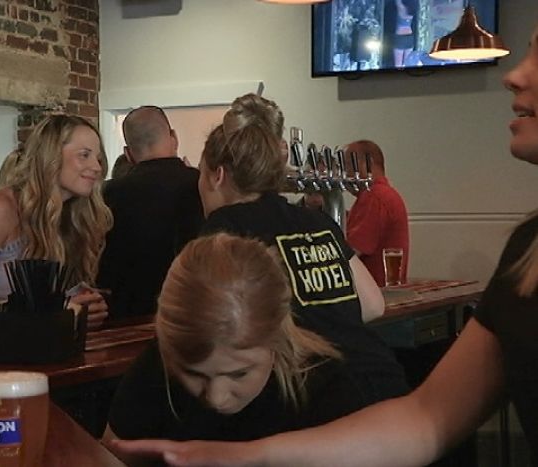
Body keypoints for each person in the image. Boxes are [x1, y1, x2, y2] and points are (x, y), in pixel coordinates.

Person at [109, 24, 538, 467]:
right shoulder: (527, 252)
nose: (514, 75)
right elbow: (423, 416)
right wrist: (244, 457)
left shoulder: (222, 231)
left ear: (216, 174)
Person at [195, 93, 407, 408]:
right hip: (385, 385)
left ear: (217, 176)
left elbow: (209, 325)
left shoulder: (223, 229)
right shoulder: (315, 220)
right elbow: (374, 305)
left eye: (199, 174)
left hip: (314, 400)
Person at [104, 233, 357, 466]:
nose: (216, 398)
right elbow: (110, 458)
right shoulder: (155, 368)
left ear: (276, 340)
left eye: (239, 374)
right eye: (194, 374)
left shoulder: (325, 390)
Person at [0, 115, 113, 337]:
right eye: (84, 155)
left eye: (98, 159)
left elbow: (61, 304)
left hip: (47, 353)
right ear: (50, 156)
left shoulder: (72, 216)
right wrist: (53, 313)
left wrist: (85, 306)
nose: (97, 167)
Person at [96, 105, 203, 320]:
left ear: (127, 153)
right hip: (191, 314)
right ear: (173, 137)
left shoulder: (109, 194)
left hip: (125, 318)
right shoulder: (201, 185)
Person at [344, 140, 410, 287]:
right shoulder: (385, 194)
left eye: (348, 165)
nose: (345, 174)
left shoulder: (374, 196)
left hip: (376, 293)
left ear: (367, 163)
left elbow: (350, 252)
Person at [393, 0, 416, 67]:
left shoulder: (401, 8)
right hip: (409, 36)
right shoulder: (412, 9)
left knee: (398, 64)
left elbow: (397, 1)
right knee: (407, 63)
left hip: (400, 37)